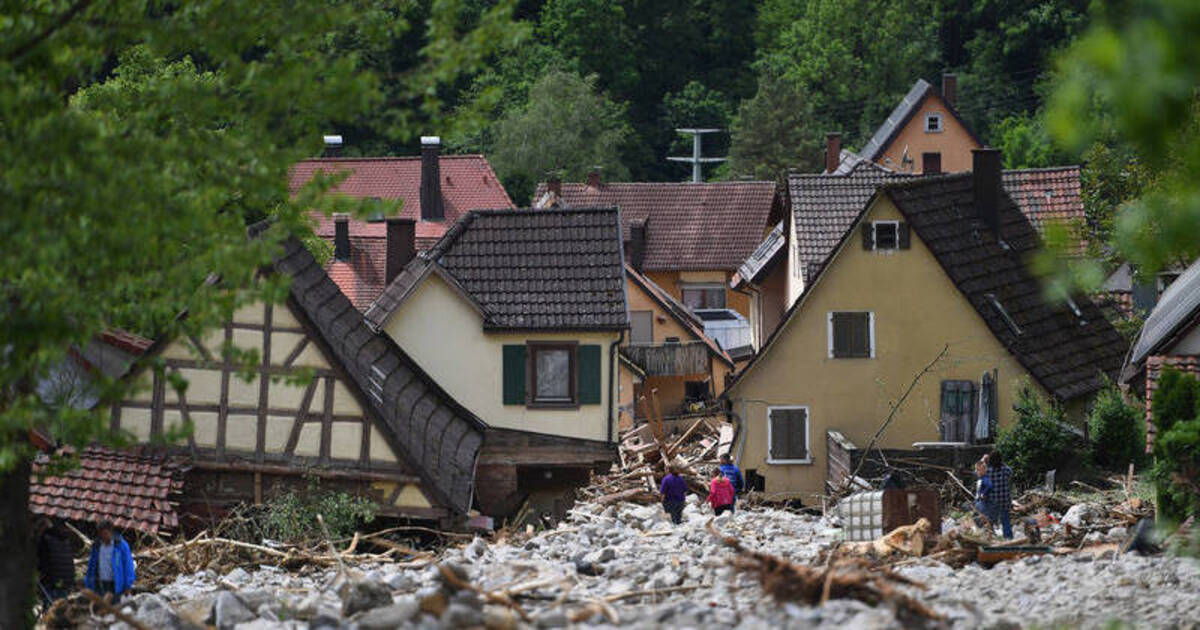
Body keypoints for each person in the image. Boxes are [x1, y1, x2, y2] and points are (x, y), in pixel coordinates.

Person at [84, 520, 136, 603]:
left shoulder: (120, 545)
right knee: (101, 608)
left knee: (114, 608)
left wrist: (128, 585)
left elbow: (128, 566)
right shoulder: (97, 546)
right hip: (100, 583)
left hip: (115, 584)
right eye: (101, 534)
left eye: (105, 533)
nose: (103, 536)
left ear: (111, 532)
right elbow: (92, 566)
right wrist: (88, 583)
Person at [36, 518, 77, 606]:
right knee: (62, 607)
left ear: (42, 528)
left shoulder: (45, 539)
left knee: (51, 609)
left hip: (52, 581)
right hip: (66, 580)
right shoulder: (64, 539)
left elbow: (41, 561)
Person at [978, 451, 1014, 539]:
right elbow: (1010, 473)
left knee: (989, 520)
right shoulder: (1006, 470)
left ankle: (989, 537)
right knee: (1005, 520)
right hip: (1005, 501)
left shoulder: (988, 471)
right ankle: (1008, 538)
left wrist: (983, 460)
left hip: (992, 501)